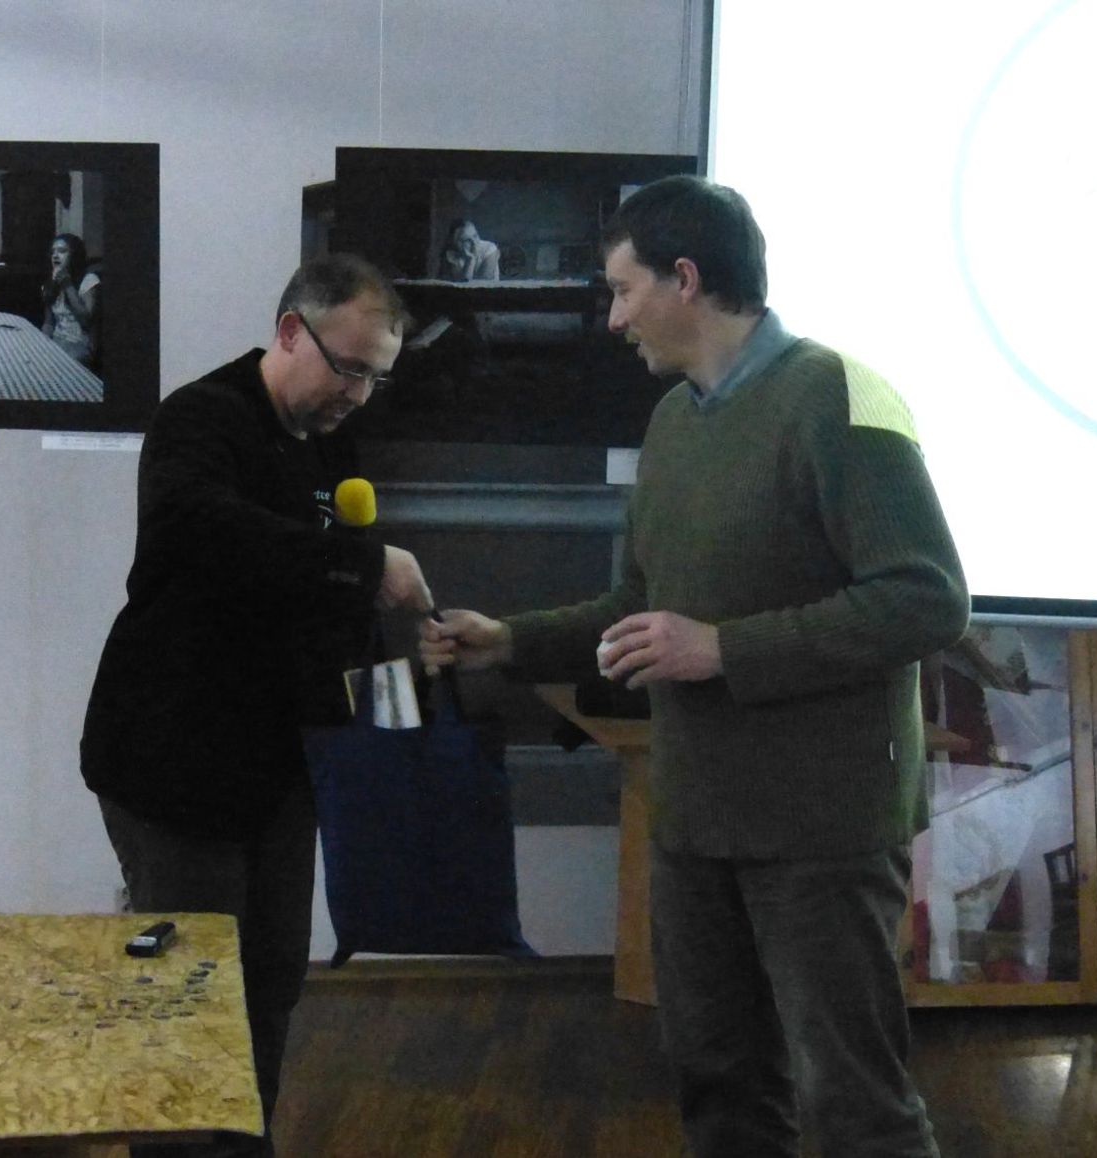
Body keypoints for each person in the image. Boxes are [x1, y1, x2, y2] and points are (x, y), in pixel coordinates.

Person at [420, 175, 969, 1158]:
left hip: (822, 831)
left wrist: (723, 649)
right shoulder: (674, 421)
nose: (613, 319)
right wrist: (511, 639)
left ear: (685, 279)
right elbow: (638, 611)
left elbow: (926, 598)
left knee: (855, 1106)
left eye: (622, 291)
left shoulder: (843, 396)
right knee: (720, 1088)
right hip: (694, 820)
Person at [80, 253, 433, 1158]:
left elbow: (325, 595)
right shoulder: (200, 419)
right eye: (348, 367)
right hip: (173, 765)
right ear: (289, 332)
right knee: (190, 994)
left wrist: (406, 656)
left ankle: (245, 1143)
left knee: (271, 982)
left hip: (279, 769)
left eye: (377, 377)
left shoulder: (326, 439)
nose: (358, 394)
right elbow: (205, 531)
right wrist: (364, 564)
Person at [40, 232, 99, 366]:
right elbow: (48, 322)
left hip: (79, 343)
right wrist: (43, 344)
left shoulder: (89, 280)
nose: (55, 256)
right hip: (57, 340)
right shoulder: (49, 284)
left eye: (62, 251)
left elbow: (86, 321)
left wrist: (67, 285)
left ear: (74, 255)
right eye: (53, 252)